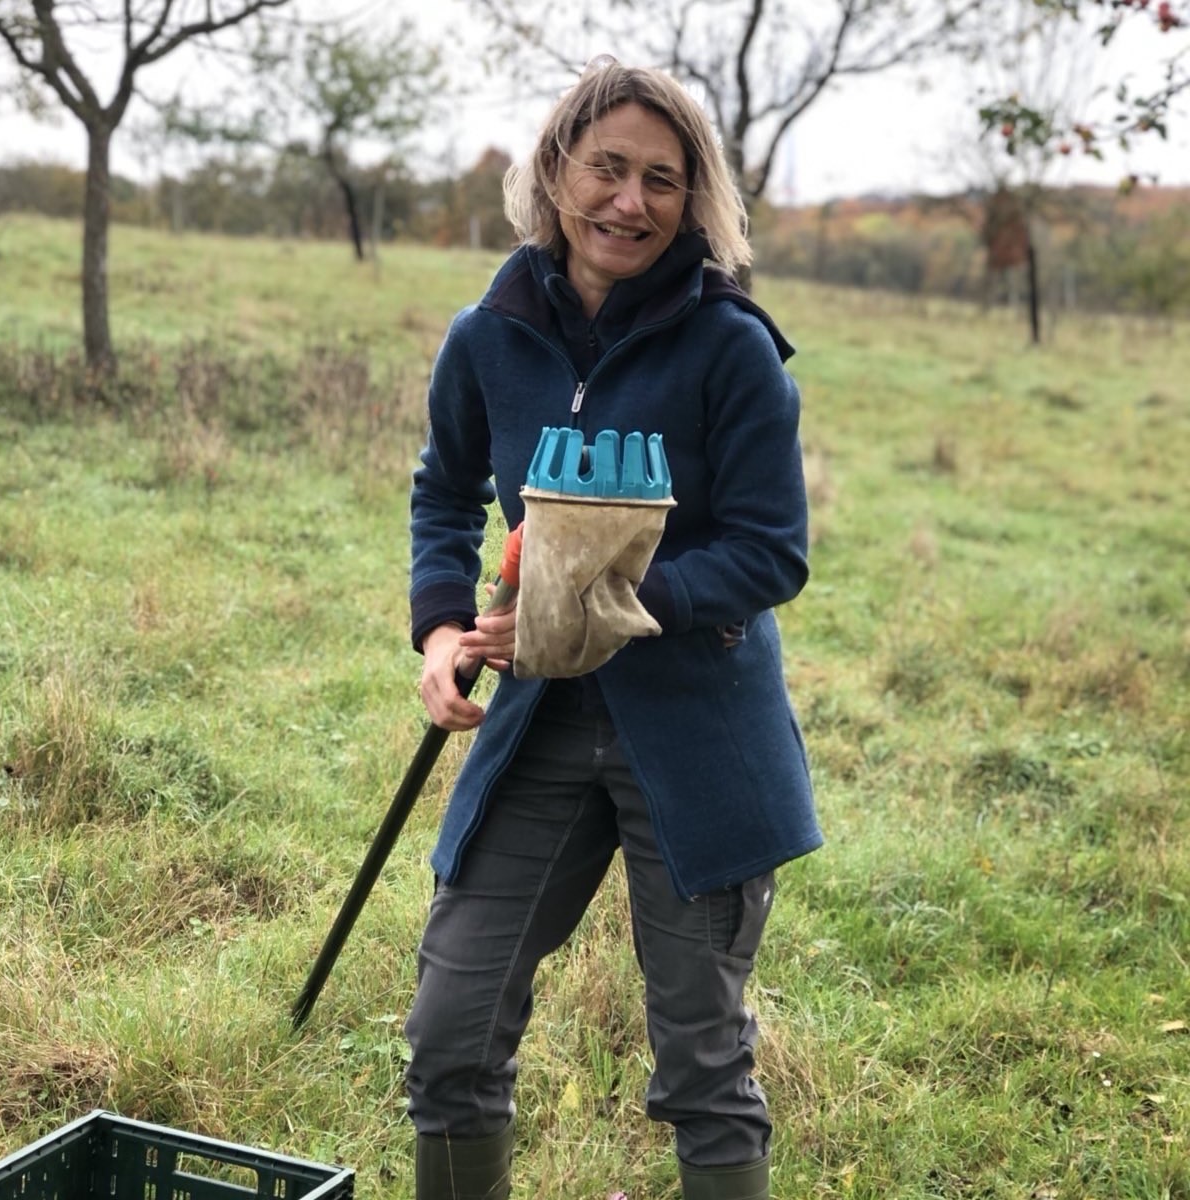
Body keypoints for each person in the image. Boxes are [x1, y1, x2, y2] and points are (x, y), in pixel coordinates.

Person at [404, 56, 821, 1200]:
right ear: (554, 171)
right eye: (607, 168)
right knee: (449, 1031)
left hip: (698, 733)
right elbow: (444, 491)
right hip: (539, 718)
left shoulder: (730, 346)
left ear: (695, 204)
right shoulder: (488, 333)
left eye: (662, 180)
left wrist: (627, 608)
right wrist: (442, 630)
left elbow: (771, 548)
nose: (629, 203)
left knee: (702, 1060)